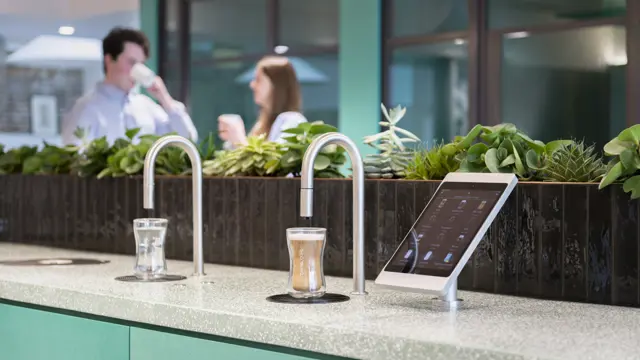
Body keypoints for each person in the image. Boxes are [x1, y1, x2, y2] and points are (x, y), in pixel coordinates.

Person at [61, 27, 197, 145]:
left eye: (141, 64)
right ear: (109, 60)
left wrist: (165, 98)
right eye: (131, 62)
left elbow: (187, 140)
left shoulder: (146, 106)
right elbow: (75, 160)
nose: (136, 70)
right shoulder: (86, 108)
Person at [218, 56, 307, 149]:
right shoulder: (261, 125)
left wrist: (238, 137)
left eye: (258, 79)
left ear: (275, 85)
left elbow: (273, 161)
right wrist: (231, 139)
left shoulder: (293, 121)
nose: (252, 85)